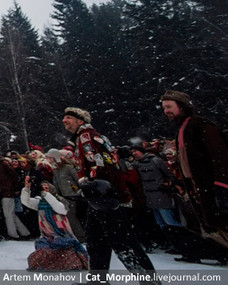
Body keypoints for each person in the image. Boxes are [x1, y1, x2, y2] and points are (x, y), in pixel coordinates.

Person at [62, 107, 157, 276]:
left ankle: (148, 279)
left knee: (123, 242)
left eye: (69, 118)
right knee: (95, 241)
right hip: (97, 196)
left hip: (103, 197)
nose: (64, 121)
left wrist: (96, 186)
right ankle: (98, 278)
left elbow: (101, 165)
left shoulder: (86, 137)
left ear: (80, 121)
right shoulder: (86, 137)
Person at [160, 90, 228, 262]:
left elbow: (220, 156)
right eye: (164, 108)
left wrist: (222, 185)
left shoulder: (201, 126)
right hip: (199, 189)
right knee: (215, 229)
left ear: (182, 106)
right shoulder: (183, 129)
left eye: (169, 107)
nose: (166, 111)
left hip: (213, 188)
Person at [20, 175, 88, 270]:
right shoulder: (39, 201)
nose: (44, 189)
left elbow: (60, 209)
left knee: (68, 253)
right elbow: (25, 201)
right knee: (43, 254)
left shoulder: (60, 199)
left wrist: (46, 195)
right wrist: (27, 189)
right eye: (42, 187)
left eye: (46, 187)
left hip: (62, 233)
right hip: (47, 234)